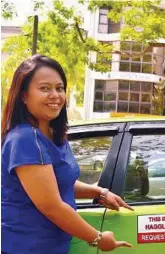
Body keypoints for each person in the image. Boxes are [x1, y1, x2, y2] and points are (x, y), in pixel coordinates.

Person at [1, 55, 134, 253]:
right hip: (27, 246)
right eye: (44, 88)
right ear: (23, 96)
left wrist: (99, 192)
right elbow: (51, 205)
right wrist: (98, 238)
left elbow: (57, 183)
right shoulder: (25, 139)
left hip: (52, 245)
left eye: (59, 88)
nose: (55, 95)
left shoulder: (54, 134)